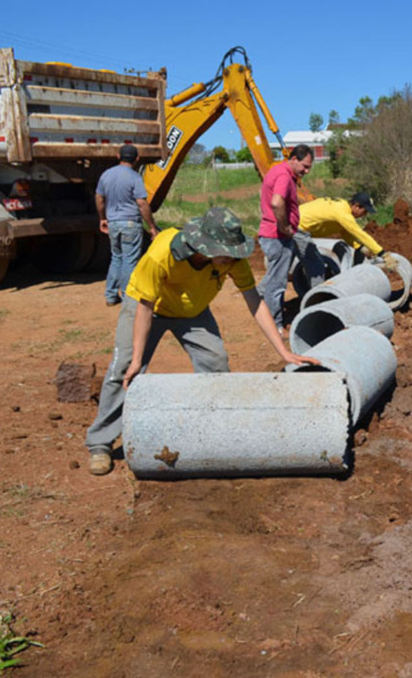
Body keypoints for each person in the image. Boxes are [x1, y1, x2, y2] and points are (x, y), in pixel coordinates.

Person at [84, 206, 318, 476]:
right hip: (149, 308)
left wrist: (283, 351)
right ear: (205, 246)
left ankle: (214, 432)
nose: (231, 259)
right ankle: (100, 443)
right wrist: (137, 358)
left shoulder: (232, 259)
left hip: (193, 312)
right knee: (125, 368)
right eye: (225, 253)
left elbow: (254, 301)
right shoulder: (163, 254)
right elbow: (145, 306)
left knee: (216, 364)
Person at [257, 145, 315, 334]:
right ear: (294, 159)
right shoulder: (284, 176)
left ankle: (258, 303)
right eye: (305, 166)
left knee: (274, 277)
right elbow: (276, 202)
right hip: (277, 236)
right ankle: (274, 324)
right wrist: (284, 227)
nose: (306, 171)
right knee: (277, 283)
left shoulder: (278, 171)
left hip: (272, 234)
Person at [95, 143, 159, 306]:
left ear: (118, 156)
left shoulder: (106, 175)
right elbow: (142, 203)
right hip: (130, 223)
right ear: (137, 159)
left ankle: (110, 295)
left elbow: (99, 198)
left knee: (116, 258)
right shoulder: (135, 177)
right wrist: (152, 226)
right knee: (129, 260)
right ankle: (127, 296)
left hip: (113, 223)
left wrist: (102, 218)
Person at [295, 192, 386, 285]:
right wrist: (382, 253)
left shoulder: (341, 206)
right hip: (298, 228)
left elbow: (345, 233)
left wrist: (359, 247)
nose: (364, 215)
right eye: (365, 211)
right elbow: (359, 234)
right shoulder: (343, 214)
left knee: (287, 259)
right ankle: (320, 293)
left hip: (291, 221)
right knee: (316, 264)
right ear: (356, 206)